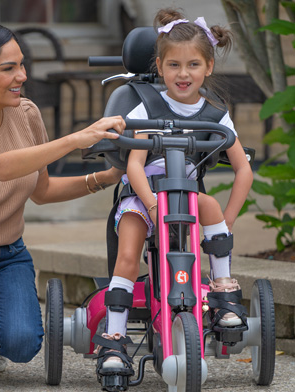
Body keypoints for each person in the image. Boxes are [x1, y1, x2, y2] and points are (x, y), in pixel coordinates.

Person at [0, 21, 126, 392]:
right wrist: (77, 139)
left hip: (6, 257)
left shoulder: (26, 114)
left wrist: (107, 177)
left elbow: (42, 190)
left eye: (22, 65)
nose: (22, 76)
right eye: (9, 68)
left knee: (21, 344)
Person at [93, 8, 254, 379]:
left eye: (193, 64)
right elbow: (134, 165)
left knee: (209, 204)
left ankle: (223, 294)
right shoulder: (147, 105)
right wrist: (150, 202)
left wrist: (224, 224)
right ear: (160, 66)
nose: (183, 74)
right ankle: (114, 337)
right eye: (174, 65)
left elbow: (242, 167)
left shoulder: (214, 112)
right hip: (144, 197)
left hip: (186, 197)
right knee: (129, 251)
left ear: (208, 67)